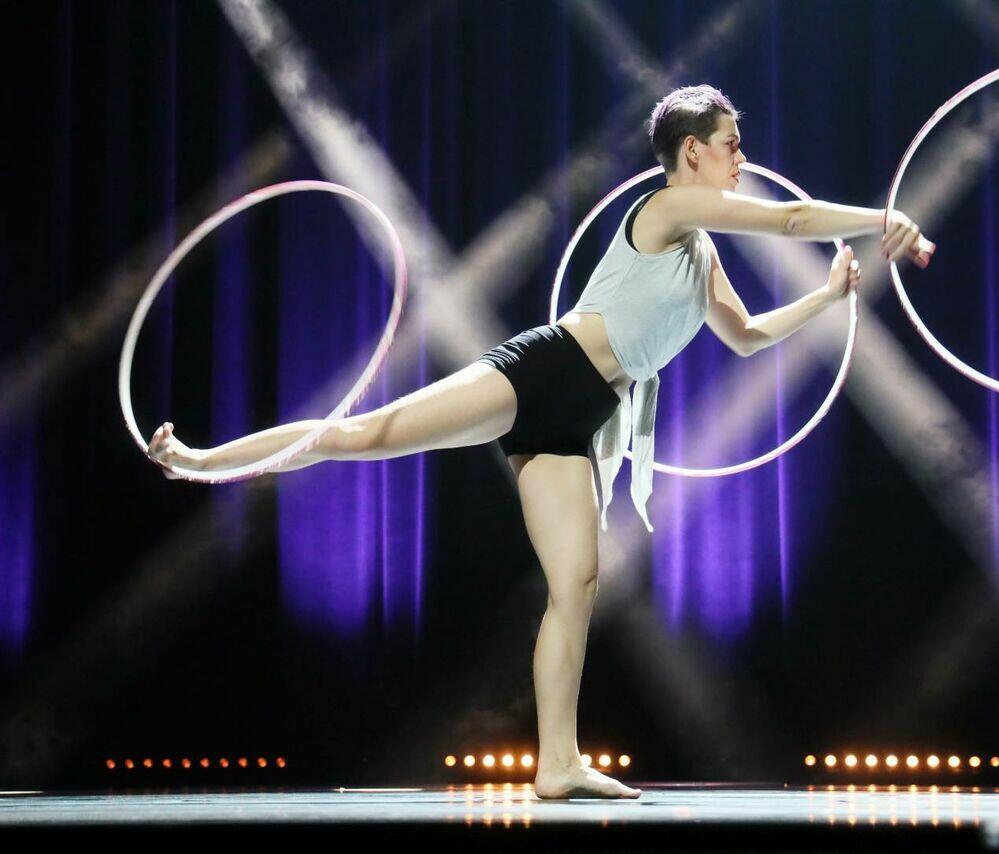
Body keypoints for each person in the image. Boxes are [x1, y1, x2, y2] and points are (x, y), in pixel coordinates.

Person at [147, 84, 932, 800]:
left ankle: (557, 761)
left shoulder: (704, 253)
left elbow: (748, 336)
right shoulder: (667, 209)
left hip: (578, 418)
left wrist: (827, 295)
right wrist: (882, 220)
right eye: (731, 145)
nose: (742, 158)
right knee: (362, 434)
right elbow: (792, 220)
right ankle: (200, 460)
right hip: (540, 372)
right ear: (692, 151)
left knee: (576, 585)